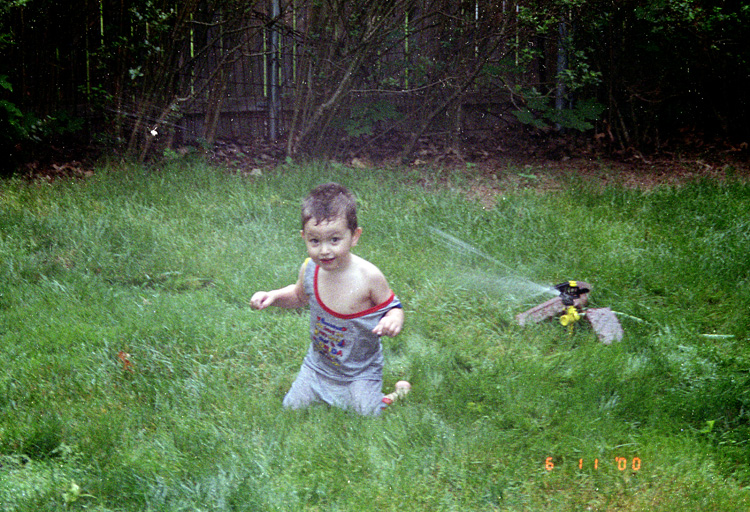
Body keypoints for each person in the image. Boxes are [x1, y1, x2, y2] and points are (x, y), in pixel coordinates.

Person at [250, 182, 410, 416]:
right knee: (291, 408)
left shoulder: (369, 277)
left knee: (366, 413)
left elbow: (394, 307)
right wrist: (273, 296)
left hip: (360, 369)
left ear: (354, 236)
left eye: (334, 239)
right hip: (318, 366)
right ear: (304, 237)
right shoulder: (310, 269)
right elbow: (297, 296)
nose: (324, 250)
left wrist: (394, 320)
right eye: (315, 241)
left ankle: (397, 394)